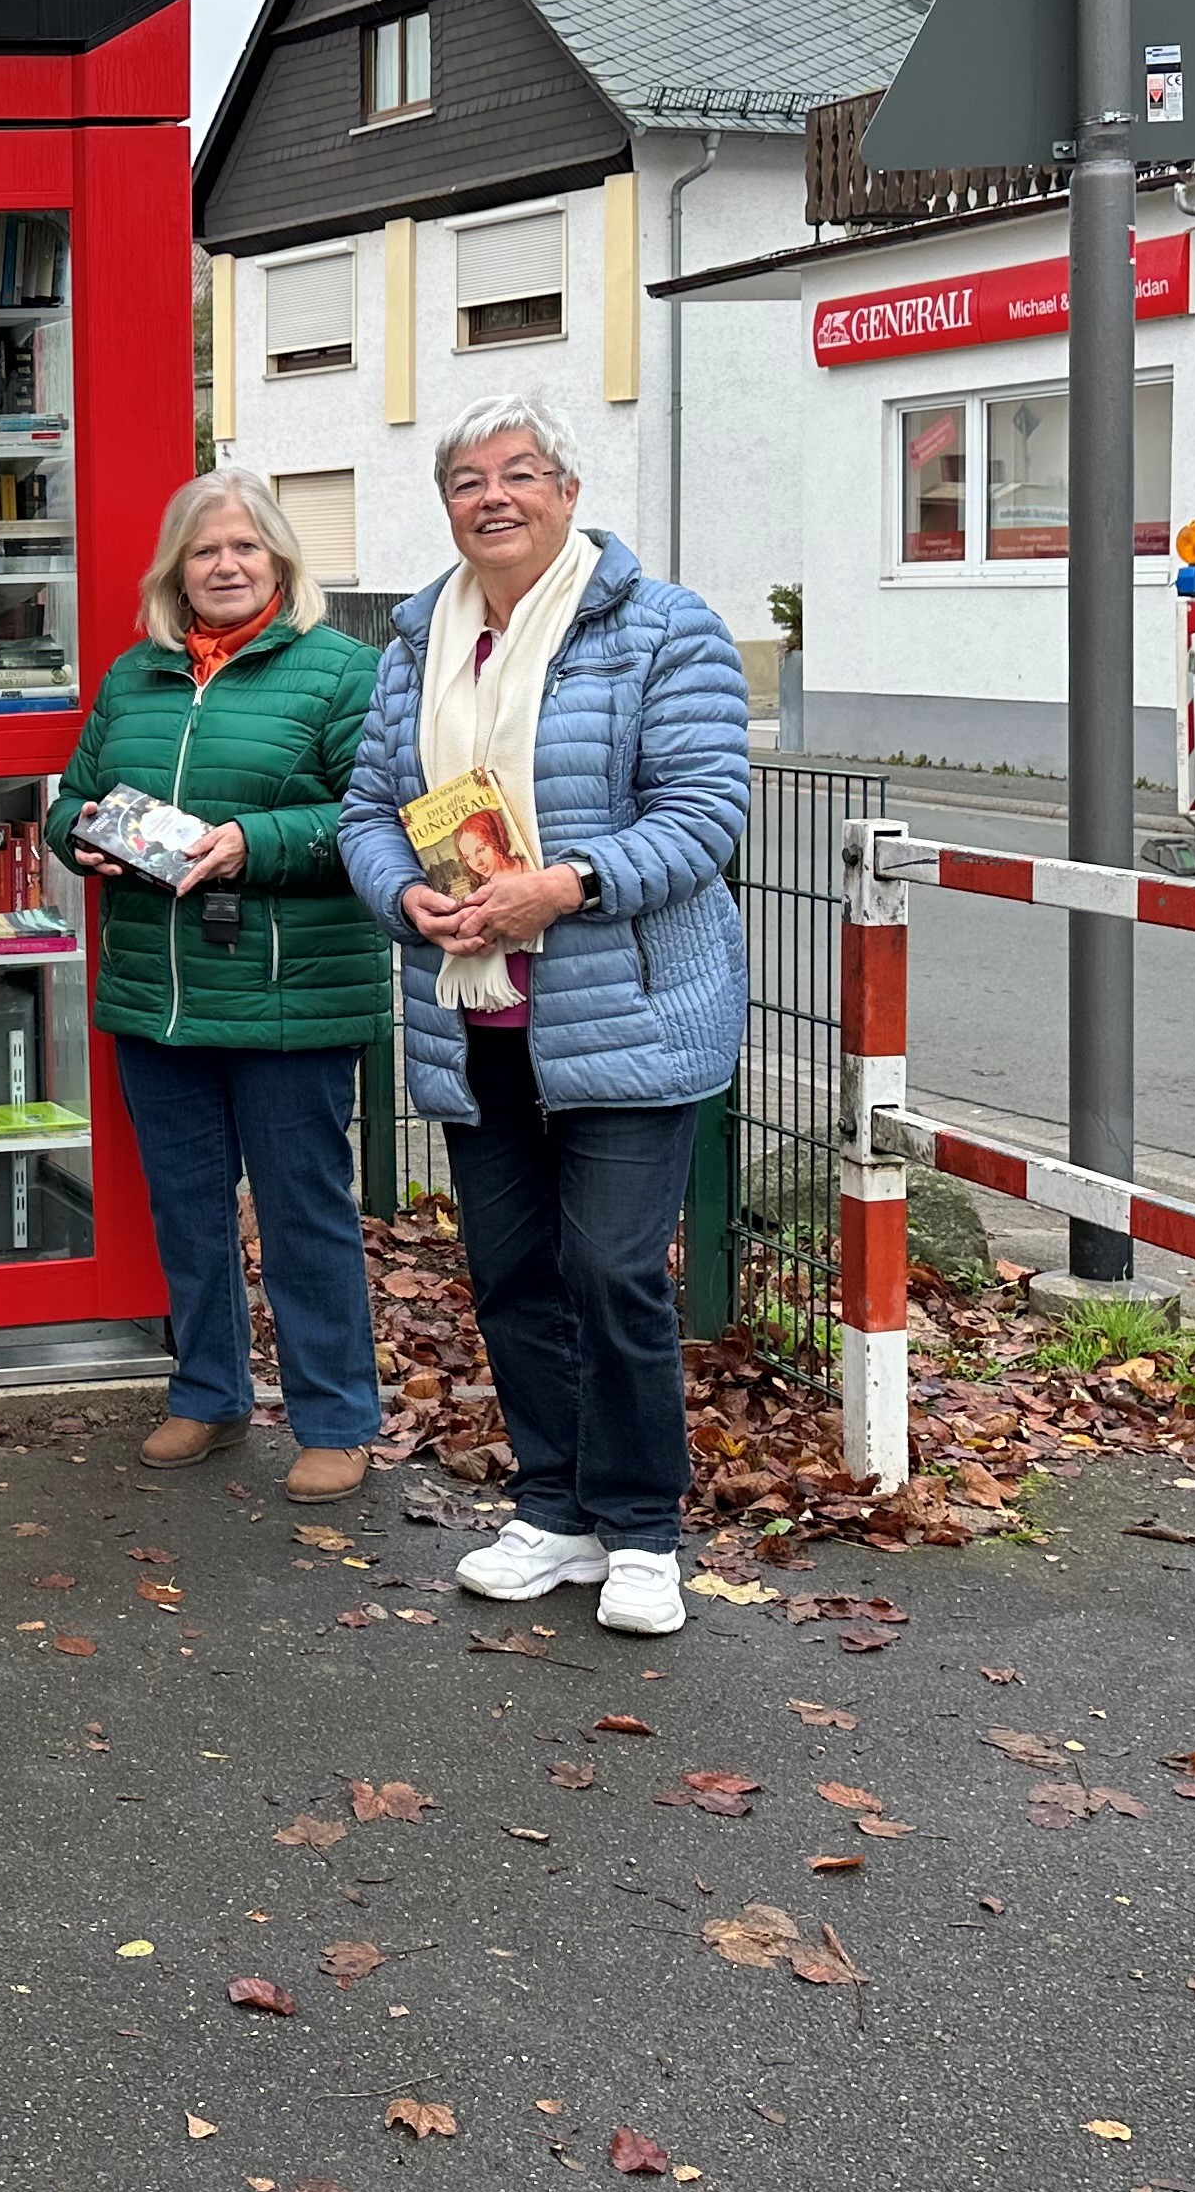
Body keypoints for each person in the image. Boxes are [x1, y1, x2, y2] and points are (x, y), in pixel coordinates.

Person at [336, 394, 750, 1639]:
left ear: (568, 492)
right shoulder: (416, 646)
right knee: (512, 1272)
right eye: (468, 481)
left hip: (623, 1008)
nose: (493, 497)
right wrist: (406, 895)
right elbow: (368, 807)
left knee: (613, 1271)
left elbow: (705, 813)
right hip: (476, 1016)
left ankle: (642, 1531)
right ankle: (556, 1510)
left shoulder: (665, 631)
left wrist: (560, 888)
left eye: (520, 474)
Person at [48, 469, 392, 1502]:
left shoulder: (341, 674)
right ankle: (208, 1391)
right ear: (177, 571)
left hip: (291, 993)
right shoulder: (134, 677)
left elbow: (376, 817)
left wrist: (254, 843)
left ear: (281, 560)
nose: (228, 565)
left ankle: (336, 1418)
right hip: (162, 993)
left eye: (246, 547)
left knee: (303, 1214)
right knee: (188, 1211)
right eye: (207, 551)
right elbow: (69, 798)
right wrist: (82, 838)